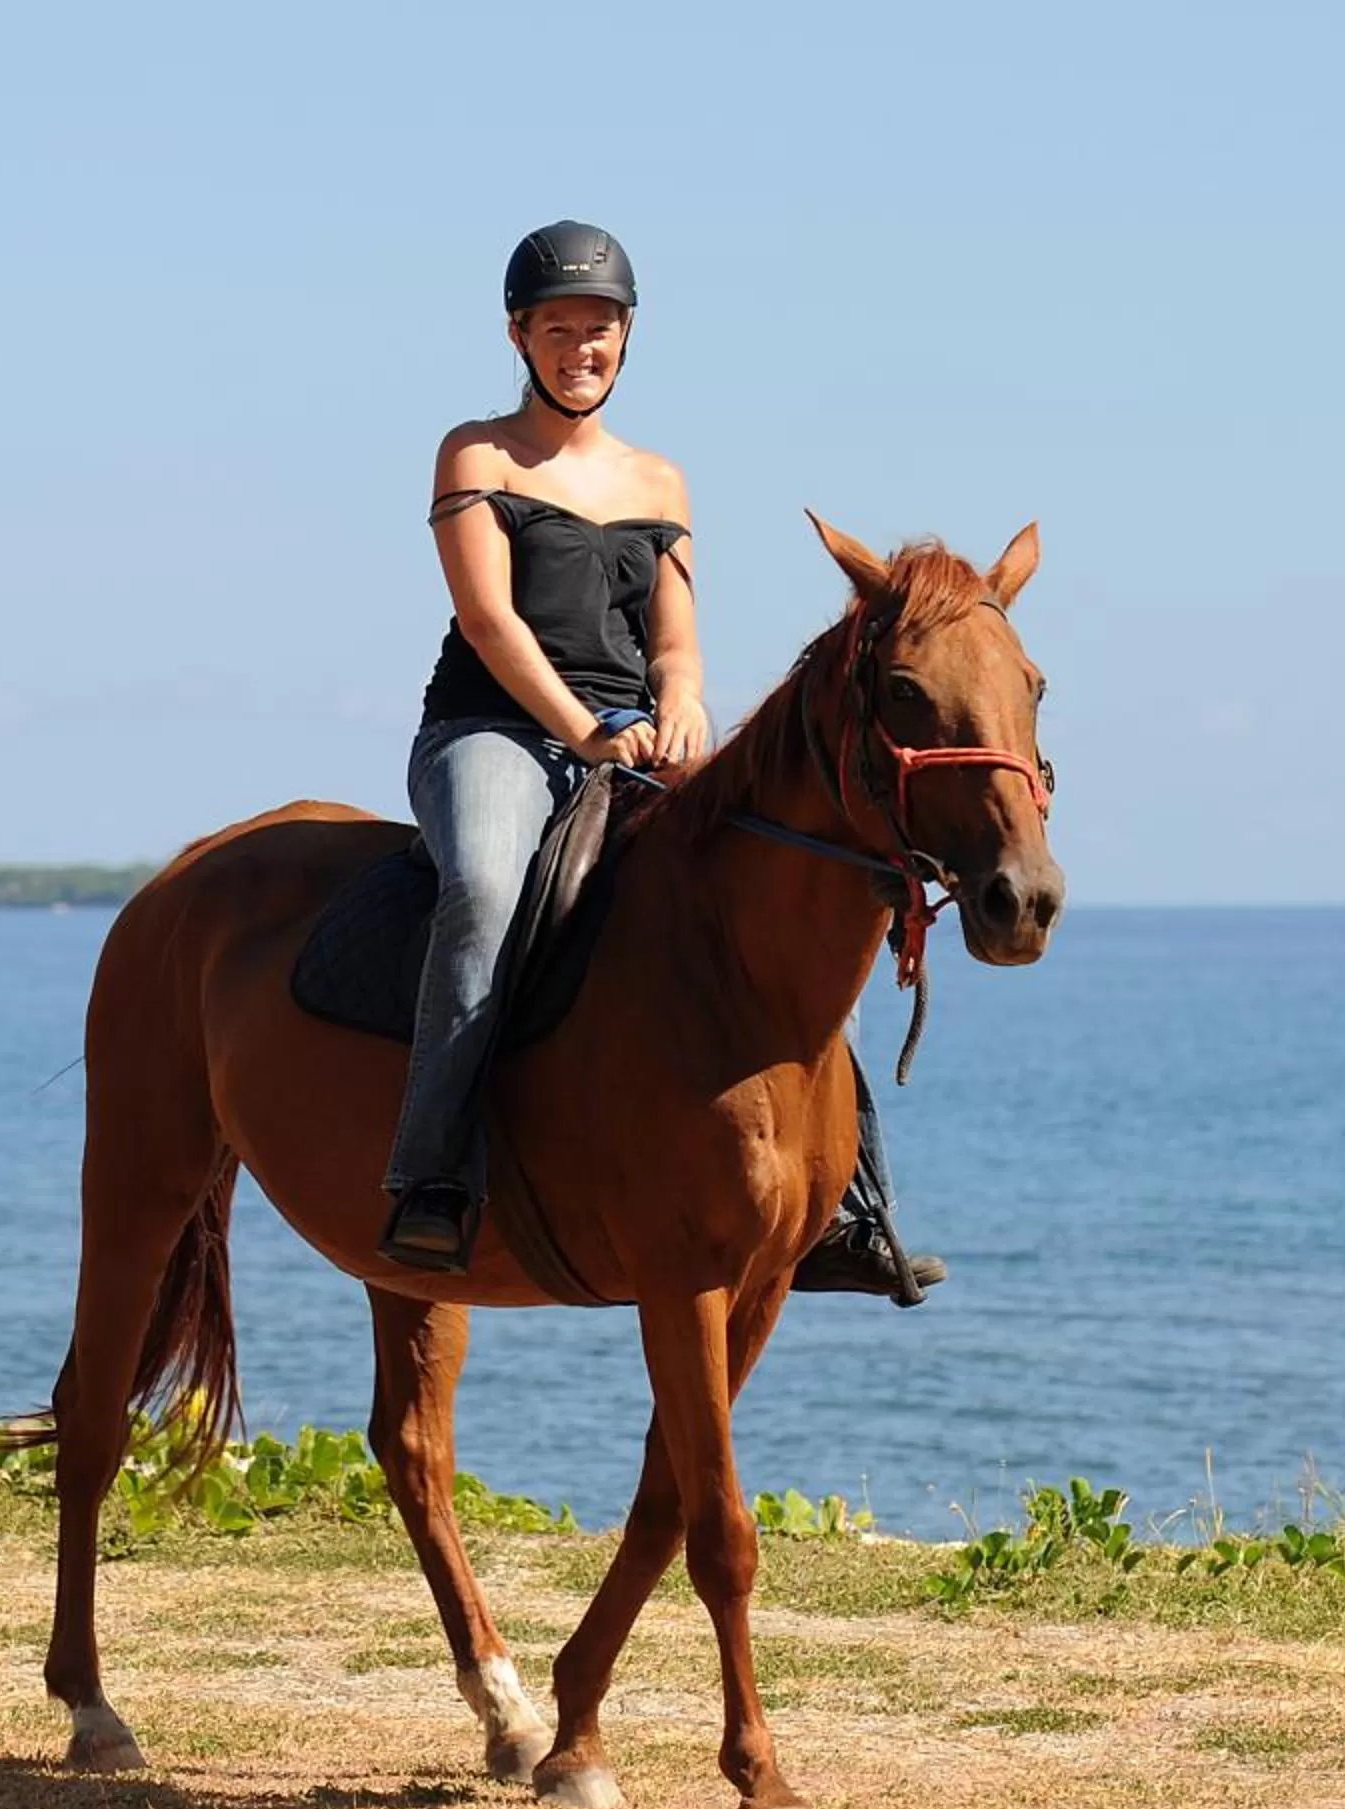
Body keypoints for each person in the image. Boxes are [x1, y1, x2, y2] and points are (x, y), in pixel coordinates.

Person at [376, 219, 945, 1304]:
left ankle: (846, 1202)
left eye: (597, 329)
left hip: (633, 741)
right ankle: (434, 1171)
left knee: (805, 903)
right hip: (492, 731)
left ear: (625, 339)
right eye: (557, 329)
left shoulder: (658, 479)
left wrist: (682, 700)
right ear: (519, 336)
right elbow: (492, 624)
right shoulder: (478, 454)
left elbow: (675, 638)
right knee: (487, 888)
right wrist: (585, 727)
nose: (578, 347)